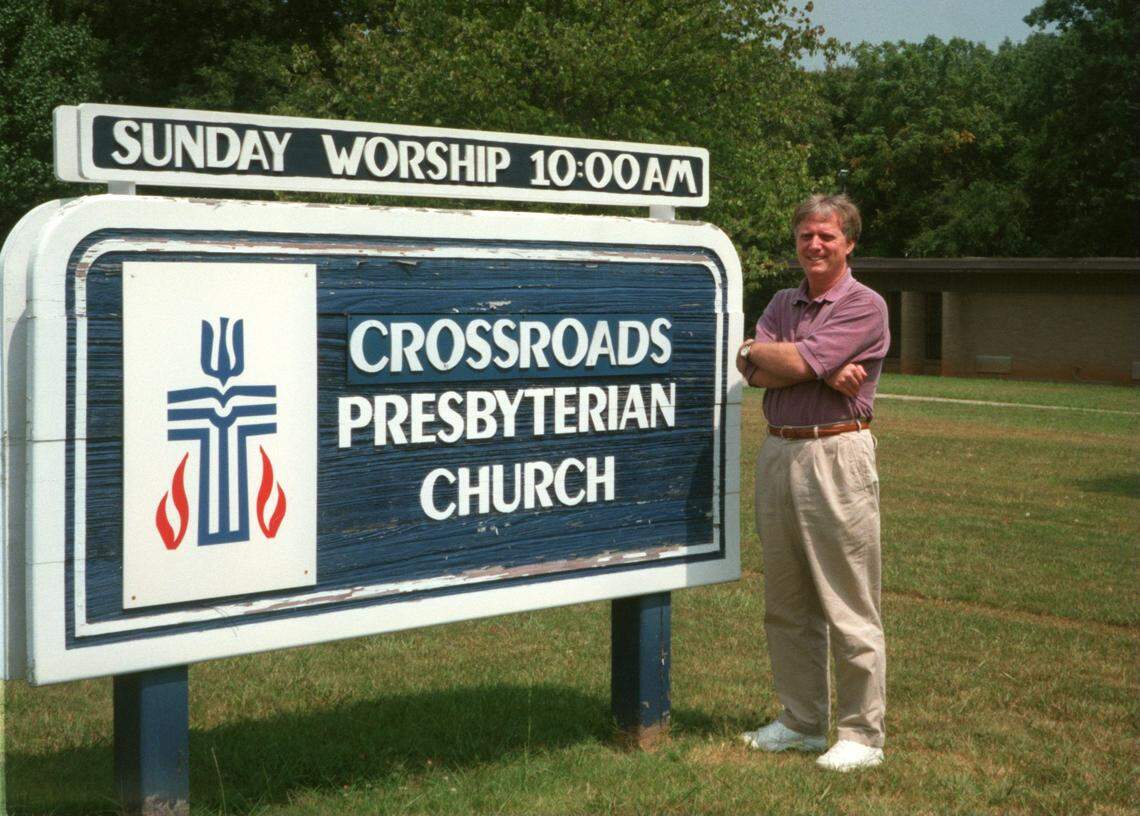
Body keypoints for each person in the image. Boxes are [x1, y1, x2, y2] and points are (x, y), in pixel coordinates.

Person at [736, 193, 889, 772]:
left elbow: (787, 365)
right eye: (806, 235)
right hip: (779, 450)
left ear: (849, 243)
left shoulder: (864, 304)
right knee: (787, 602)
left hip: (836, 453)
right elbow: (751, 369)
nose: (815, 244)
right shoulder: (782, 301)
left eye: (827, 235)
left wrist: (789, 360)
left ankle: (862, 735)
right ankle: (801, 722)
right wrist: (784, 359)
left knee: (847, 602)